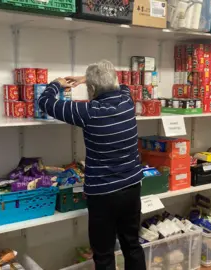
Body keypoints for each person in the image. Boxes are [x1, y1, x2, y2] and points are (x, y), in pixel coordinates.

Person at [38, 60, 146, 270]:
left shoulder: (89, 112)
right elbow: (119, 84)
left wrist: (57, 84)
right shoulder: (126, 101)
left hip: (103, 195)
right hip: (132, 187)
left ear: (93, 90)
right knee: (132, 244)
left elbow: (46, 103)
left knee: (104, 253)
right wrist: (90, 78)